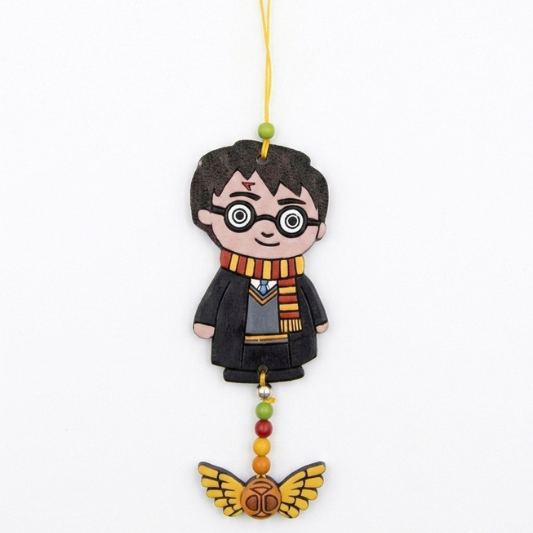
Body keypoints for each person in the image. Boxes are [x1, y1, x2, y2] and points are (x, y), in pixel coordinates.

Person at [191, 140, 329, 383]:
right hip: (239, 344)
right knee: (240, 359)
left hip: (288, 344)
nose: (266, 230)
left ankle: (286, 367)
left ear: (319, 229)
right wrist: (206, 320)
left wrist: (319, 320)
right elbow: (215, 298)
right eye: (240, 214)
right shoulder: (230, 275)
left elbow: (309, 298)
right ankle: (240, 369)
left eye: (291, 220)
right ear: (207, 215)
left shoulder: (294, 275)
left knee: (287, 357)